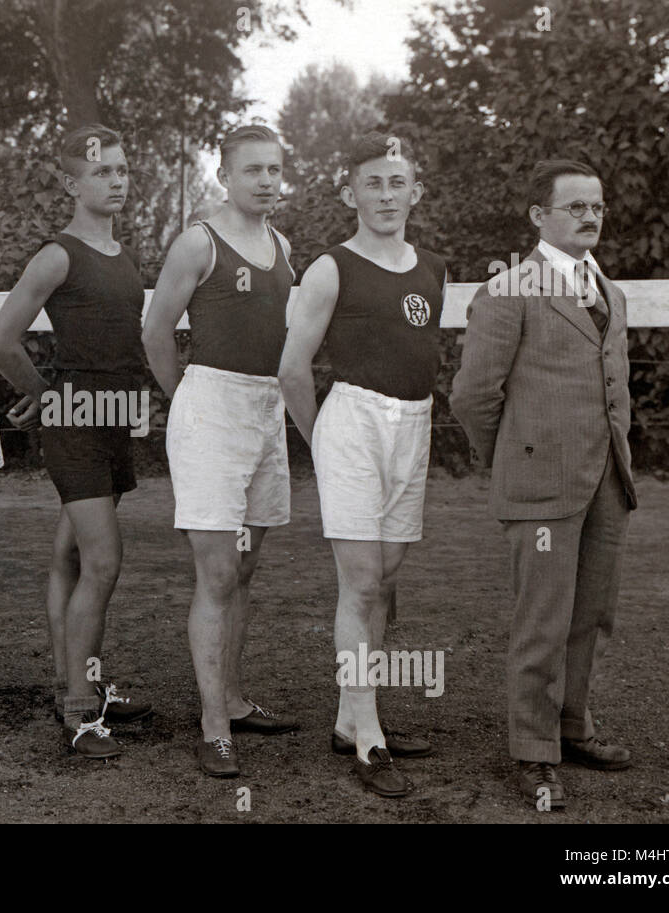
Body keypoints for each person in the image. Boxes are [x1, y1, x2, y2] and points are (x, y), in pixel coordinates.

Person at [450, 159, 637, 811]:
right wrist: (512, 455)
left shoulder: (606, 289)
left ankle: (572, 725)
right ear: (538, 216)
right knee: (542, 621)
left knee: (592, 614)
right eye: (575, 206)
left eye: (597, 206)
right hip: (541, 487)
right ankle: (533, 752)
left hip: (607, 482)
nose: (590, 215)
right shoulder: (510, 288)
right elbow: (473, 394)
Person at [279, 132, 444, 798]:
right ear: (350, 192)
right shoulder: (330, 268)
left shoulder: (433, 266)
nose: (385, 194)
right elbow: (292, 368)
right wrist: (324, 442)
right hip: (351, 421)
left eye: (396, 182)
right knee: (364, 581)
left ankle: (352, 715)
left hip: (415, 423)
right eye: (371, 182)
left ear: (415, 190)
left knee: (387, 578)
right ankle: (371, 739)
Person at [0, 124, 153, 759]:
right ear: (70, 183)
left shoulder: (122, 253)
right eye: (102, 171)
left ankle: (72, 684)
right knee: (103, 561)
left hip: (113, 415)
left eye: (122, 170)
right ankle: (82, 713)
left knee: (73, 557)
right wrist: (49, 398)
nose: (115, 181)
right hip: (76, 420)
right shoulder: (58, 254)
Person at [142, 125, 299, 778]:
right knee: (215, 573)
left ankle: (232, 698)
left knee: (245, 566)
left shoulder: (284, 245)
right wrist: (187, 397)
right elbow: (155, 329)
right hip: (211, 405)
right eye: (252, 170)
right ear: (225, 177)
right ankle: (212, 726)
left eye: (274, 170)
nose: (265, 180)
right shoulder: (198, 242)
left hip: (267, 409)